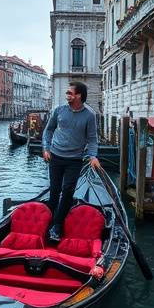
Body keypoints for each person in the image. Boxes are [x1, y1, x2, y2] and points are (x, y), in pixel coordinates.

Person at [42, 81, 101, 242]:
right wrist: (46, 148)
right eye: (67, 93)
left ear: (79, 95)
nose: (67, 95)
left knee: (67, 191)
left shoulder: (89, 115)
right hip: (55, 156)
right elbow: (48, 131)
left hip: (74, 160)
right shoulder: (59, 110)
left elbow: (92, 139)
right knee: (54, 192)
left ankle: (57, 226)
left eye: (70, 93)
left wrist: (93, 156)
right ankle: (48, 223)